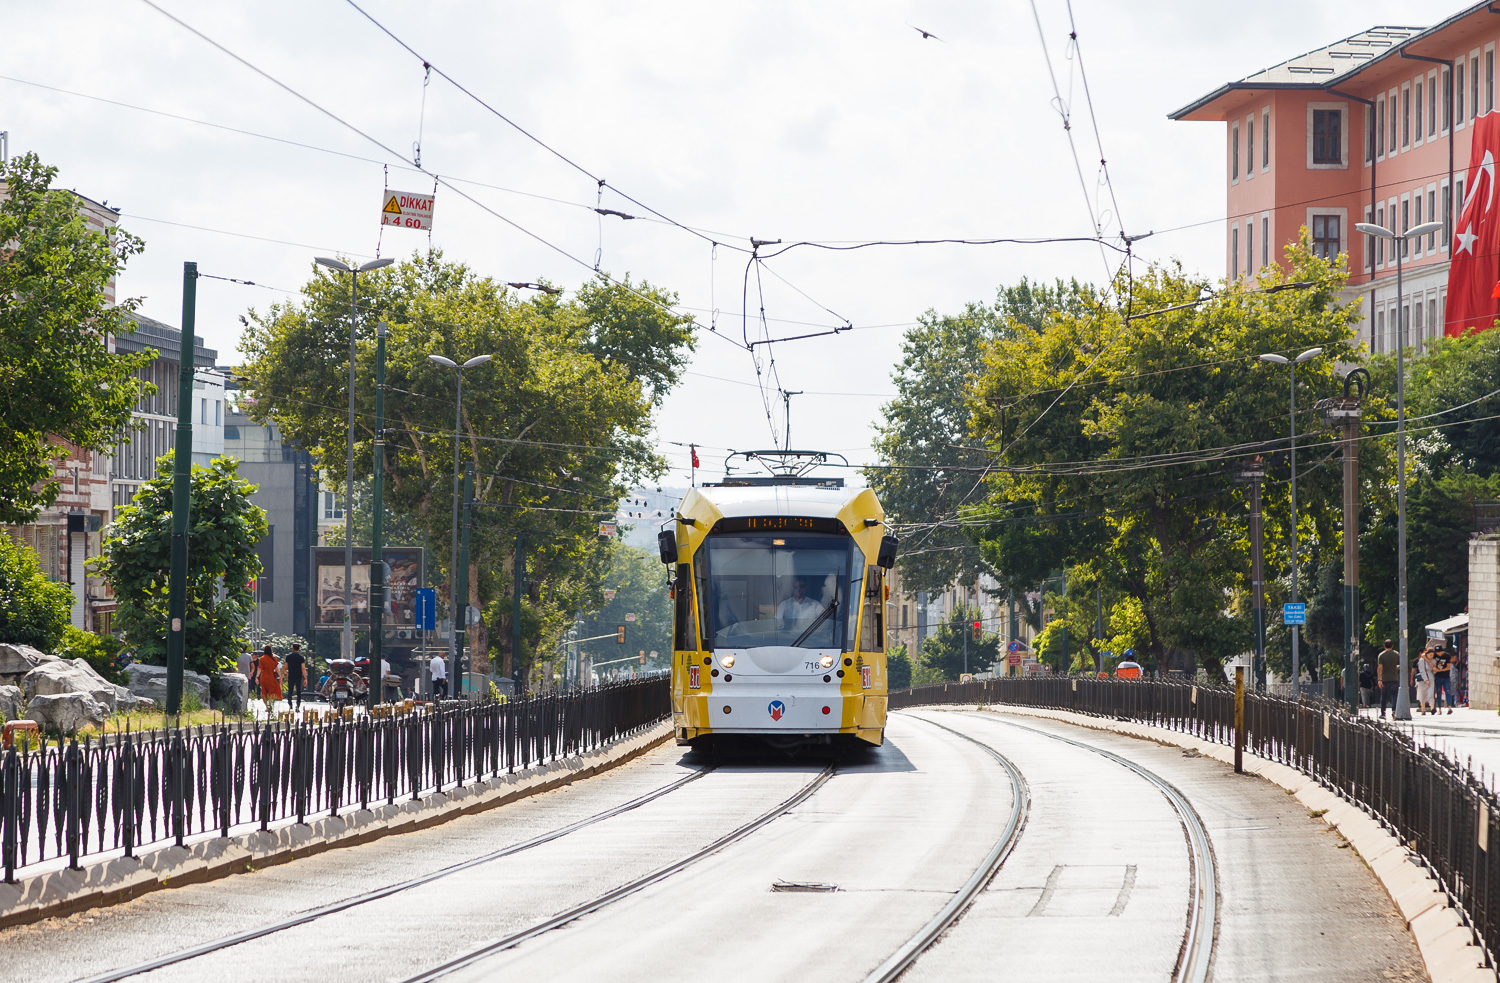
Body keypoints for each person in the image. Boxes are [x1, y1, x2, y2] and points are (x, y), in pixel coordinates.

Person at [1376, 639, 1400, 718]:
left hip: (1385, 679)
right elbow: (1399, 665)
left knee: (1384, 696)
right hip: (1394, 678)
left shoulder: (1381, 655)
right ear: (1392, 646)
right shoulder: (1397, 654)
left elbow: (1380, 667)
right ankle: (1394, 711)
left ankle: (1383, 713)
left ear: (1384, 646)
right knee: (1394, 695)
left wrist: (1379, 679)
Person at [1433, 644, 1455, 714]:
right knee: (1438, 692)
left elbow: (1448, 667)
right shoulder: (1434, 655)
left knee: (1447, 691)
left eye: (1439, 652)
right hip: (1437, 677)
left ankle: (1449, 707)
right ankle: (1439, 708)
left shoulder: (1447, 656)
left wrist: (1438, 670)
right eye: (1436, 652)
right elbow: (1425, 655)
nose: (1438, 653)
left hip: (1446, 676)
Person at [1414, 645, 1436, 715]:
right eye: (1430, 655)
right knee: (1422, 693)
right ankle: (1423, 709)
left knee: (1431, 693)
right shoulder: (1422, 660)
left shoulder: (1433, 660)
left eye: (1432, 655)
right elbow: (1422, 670)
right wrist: (1426, 679)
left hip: (1431, 677)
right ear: (1427, 654)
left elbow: (1434, 671)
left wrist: (1434, 669)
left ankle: (1432, 708)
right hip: (1423, 678)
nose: (1431, 656)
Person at [285, 643, 306, 709]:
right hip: (298, 676)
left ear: (292, 648)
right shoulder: (301, 658)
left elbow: (285, 667)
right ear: (299, 649)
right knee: (298, 691)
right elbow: (303, 668)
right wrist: (305, 678)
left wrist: (285, 674)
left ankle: (290, 704)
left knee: (290, 690)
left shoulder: (288, 657)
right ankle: (298, 705)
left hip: (291, 675)